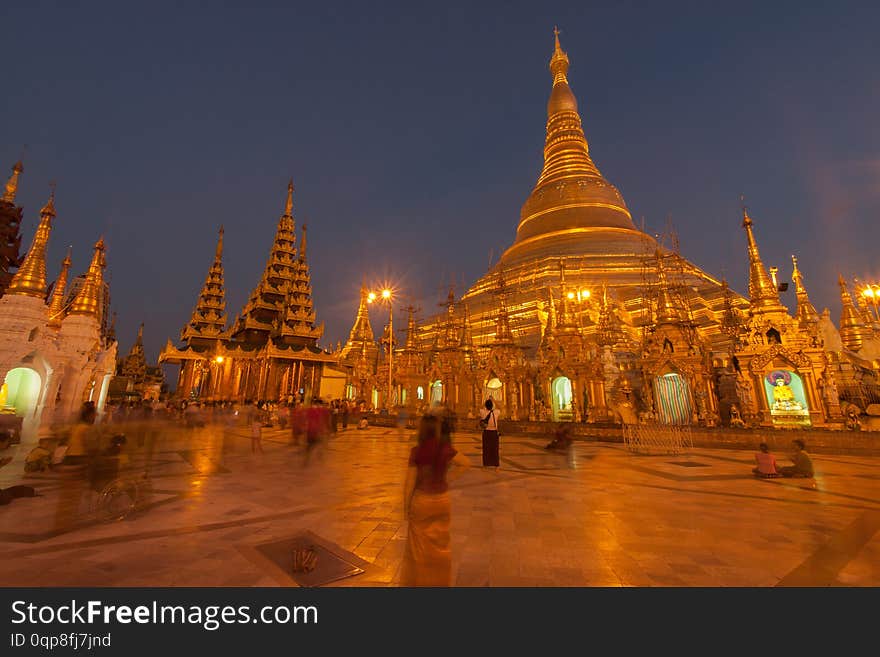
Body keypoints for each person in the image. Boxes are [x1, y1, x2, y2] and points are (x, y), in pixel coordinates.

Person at [400, 413, 470, 586]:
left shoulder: (417, 451)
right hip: (442, 500)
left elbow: (409, 483)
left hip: (422, 500)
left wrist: (405, 507)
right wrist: (448, 478)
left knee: (419, 548)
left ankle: (421, 582)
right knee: (441, 546)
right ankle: (440, 582)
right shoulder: (444, 448)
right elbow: (466, 463)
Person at [479, 399, 500, 468]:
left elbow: (480, 407)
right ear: (492, 406)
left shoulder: (483, 412)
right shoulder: (496, 412)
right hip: (494, 432)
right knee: (495, 449)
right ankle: (495, 464)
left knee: (486, 448)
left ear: (485, 406)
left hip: (486, 432)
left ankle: (486, 463)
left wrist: (484, 402)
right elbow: (499, 407)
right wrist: (494, 400)